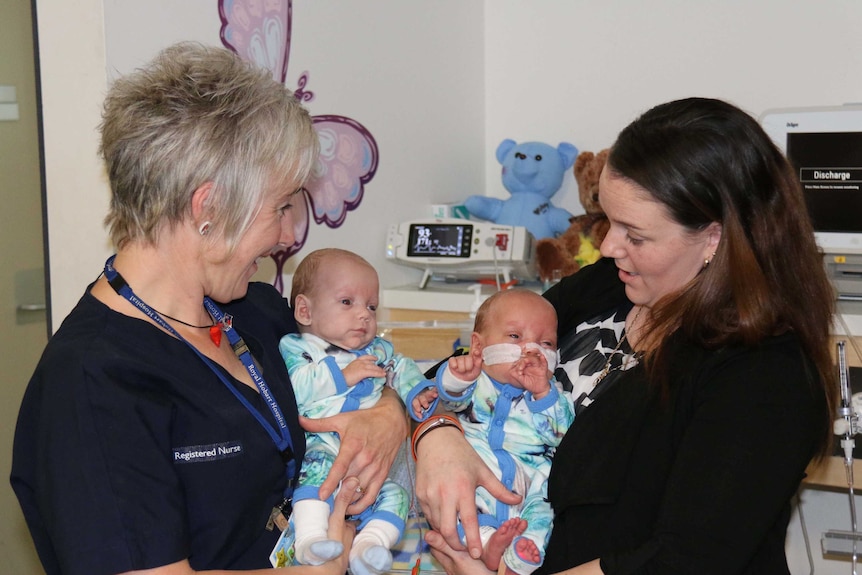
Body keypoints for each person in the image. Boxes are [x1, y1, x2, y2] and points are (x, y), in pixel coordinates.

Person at [10, 42, 407, 575]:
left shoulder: (257, 312)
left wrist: (391, 418)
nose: (290, 236)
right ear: (209, 207)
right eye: (282, 207)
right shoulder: (92, 384)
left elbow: (369, 378)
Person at [412, 97, 837, 575]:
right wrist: (437, 434)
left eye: (635, 234)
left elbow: (682, 560)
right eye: (609, 221)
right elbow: (461, 370)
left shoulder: (763, 373)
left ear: (714, 239)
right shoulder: (612, 284)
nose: (610, 246)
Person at [279, 248, 429, 575]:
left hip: (369, 466)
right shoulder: (298, 348)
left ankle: (369, 547)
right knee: (316, 481)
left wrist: (416, 390)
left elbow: (401, 368)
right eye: (347, 302)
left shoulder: (377, 351)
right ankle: (310, 539)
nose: (364, 314)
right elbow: (297, 389)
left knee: (397, 497)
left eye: (371, 306)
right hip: (325, 445)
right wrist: (344, 376)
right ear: (305, 310)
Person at [409, 288, 573, 575]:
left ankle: (521, 553)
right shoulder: (475, 379)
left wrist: (542, 394)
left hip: (529, 477)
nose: (531, 350)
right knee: (458, 510)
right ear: (478, 346)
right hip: (475, 470)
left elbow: (562, 436)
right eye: (515, 337)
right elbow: (447, 397)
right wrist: (457, 375)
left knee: (543, 509)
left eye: (546, 342)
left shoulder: (552, 396)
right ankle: (488, 546)